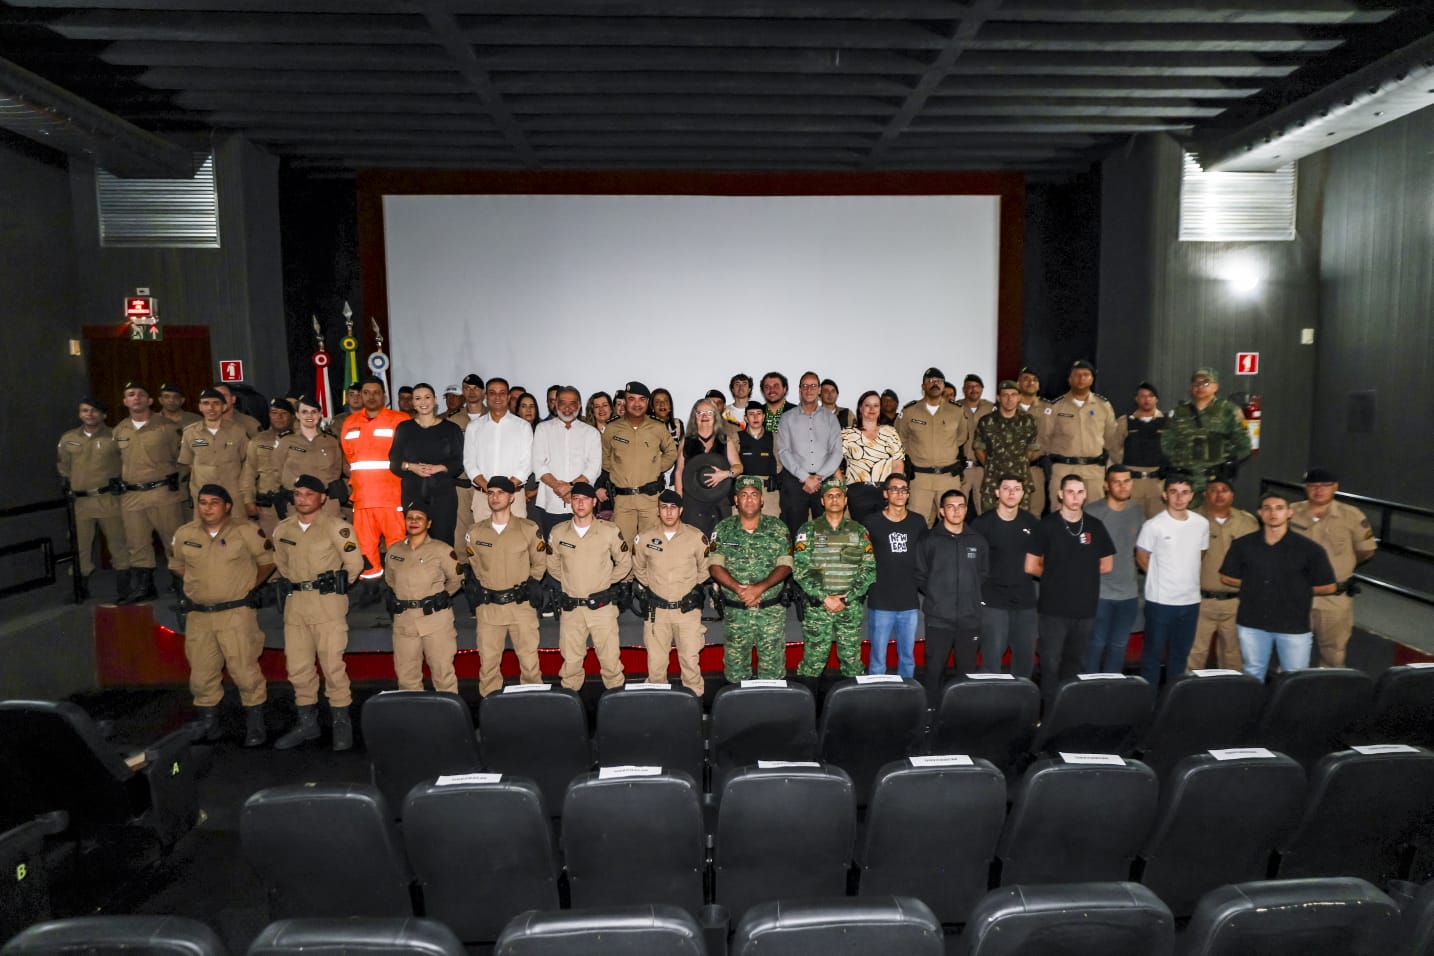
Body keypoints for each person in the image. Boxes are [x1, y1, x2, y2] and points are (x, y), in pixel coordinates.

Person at [170, 483, 275, 747]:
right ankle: (209, 723)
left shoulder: (245, 531)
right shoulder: (185, 533)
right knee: (201, 674)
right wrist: (200, 586)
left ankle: (255, 724)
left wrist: (250, 586)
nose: (207, 508)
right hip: (200, 616)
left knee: (244, 671)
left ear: (227, 506)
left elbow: (268, 560)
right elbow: (178, 565)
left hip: (235, 613)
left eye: (213, 502)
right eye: (202, 502)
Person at [269, 474, 365, 751]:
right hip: (296, 605)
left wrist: (335, 586)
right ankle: (307, 724)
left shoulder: (337, 527)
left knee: (333, 667)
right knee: (298, 669)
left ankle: (341, 723)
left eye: (309, 494)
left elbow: (354, 563)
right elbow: (281, 565)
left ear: (322, 498)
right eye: (298, 494)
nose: (302, 499)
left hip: (327, 606)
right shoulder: (283, 530)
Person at [1219, 492, 1337, 680]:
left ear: (1289, 513)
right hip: (1252, 622)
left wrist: (1293, 589)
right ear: (1260, 513)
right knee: (1252, 673)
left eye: (1279, 508)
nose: (1273, 513)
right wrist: (1255, 584)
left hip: (1293, 624)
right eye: (1267, 508)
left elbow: (1328, 586)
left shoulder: (1310, 549)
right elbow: (1227, 576)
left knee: (1294, 678)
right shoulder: (1243, 545)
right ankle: (1253, 709)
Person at [1025, 474, 1116, 704]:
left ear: (1085, 495)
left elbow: (1106, 565)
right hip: (1052, 610)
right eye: (1070, 492)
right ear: (1060, 494)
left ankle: (1069, 713)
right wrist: (1057, 577)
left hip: (1084, 609)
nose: (1075, 497)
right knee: (1050, 664)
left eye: (1079, 492)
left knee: (1077, 664)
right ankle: (1047, 716)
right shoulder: (1046, 525)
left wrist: (1078, 575)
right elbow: (1030, 565)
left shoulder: (1095, 525)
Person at [547, 481, 632, 691]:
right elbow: (552, 566)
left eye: (585, 499)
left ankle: (616, 705)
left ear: (594, 502)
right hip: (572, 609)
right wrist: (570, 582)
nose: (580, 503)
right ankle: (569, 708)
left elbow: (625, 562)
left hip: (601, 608)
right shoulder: (558, 533)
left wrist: (605, 582)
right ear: (571, 502)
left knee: (611, 663)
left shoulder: (609, 531)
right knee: (571, 665)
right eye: (575, 499)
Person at [465, 476, 546, 696]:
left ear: (512, 497)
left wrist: (528, 586)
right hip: (490, 608)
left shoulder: (528, 529)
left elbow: (539, 564)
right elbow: (476, 566)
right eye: (490, 492)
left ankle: (534, 708)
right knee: (489, 667)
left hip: (521, 606)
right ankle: (491, 712)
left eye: (501, 493)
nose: (495, 497)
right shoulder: (475, 533)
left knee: (530, 666)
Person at [708, 475, 794, 681]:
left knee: (772, 672)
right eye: (743, 495)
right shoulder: (723, 529)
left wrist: (759, 588)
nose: (749, 499)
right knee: (736, 672)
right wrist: (739, 589)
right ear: (736, 500)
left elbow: (786, 564)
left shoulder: (778, 528)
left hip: (770, 612)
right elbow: (714, 565)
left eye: (754, 494)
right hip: (736, 613)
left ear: (762, 499)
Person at [1290, 467, 1378, 667]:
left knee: (1333, 653)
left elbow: (1366, 551)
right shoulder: (1290, 512)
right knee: (1290, 651)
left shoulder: (1352, 515)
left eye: (1325, 486)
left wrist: (1341, 567)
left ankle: (1327, 693)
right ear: (1305, 488)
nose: (1319, 490)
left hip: (1334, 598)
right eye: (1313, 485)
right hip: (1296, 595)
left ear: (1335, 487)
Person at [792, 478, 876, 682]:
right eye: (829, 496)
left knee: (851, 660)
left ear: (846, 500)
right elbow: (800, 569)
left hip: (849, 606)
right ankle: (807, 709)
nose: (834, 499)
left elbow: (869, 568)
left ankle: (853, 710)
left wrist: (847, 597)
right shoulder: (807, 530)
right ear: (822, 501)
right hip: (817, 607)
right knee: (813, 661)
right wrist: (824, 598)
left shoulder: (858, 531)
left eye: (838, 495)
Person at [113, 381, 186, 603]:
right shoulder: (119, 430)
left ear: (150, 400)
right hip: (132, 496)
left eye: (141, 394)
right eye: (131, 394)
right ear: (125, 401)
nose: (136, 398)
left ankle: (182, 583)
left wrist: (179, 485)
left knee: (173, 541)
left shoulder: (166, 427)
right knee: (137, 543)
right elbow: (116, 461)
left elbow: (182, 459)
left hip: (162, 492)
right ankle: (145, 586)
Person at [914, 489, 989, 703]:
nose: (956, 511)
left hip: (969, 619)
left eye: (960, 506)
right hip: (938, 620)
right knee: (934, 672)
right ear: (941, 511)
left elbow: (982, 574)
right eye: (950, 506)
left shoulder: (978, 541)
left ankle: (964, 715)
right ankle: (930, 715)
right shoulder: (928, 541)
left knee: (966, 673)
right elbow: (919, 576)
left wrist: (968, 595)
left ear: (966, 509)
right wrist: (938, 595)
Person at [633, 489, 710, 695]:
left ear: (681, 510)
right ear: (658, 511)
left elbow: (705, 569)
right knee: (656, 667)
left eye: (673, 508)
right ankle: (658, 710)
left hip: (687, 611)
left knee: (690, 665)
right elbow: (639, 568)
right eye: (664, 507)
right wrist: (653, 587)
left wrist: (692, 588)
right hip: (657, 611)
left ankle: (694, 706)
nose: (668, 512)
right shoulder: (645, 538)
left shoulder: (695, 537)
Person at [1135, 474, 1209, 688]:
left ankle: (1173, 704)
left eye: (1184, 492)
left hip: (1190, 602)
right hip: (1160, 602)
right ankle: (1147, 705)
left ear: (1191, 496)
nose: (1179, 497)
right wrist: (1163, 576)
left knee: (1180, 658)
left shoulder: (1201, 524)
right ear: (1164, 494)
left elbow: (1200, 554)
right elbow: (1141, 557)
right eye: (1174, 492)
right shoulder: (1153, 525)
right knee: (1152, 657)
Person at [383, 500, 463, 693]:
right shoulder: (394, 551)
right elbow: (390, 580)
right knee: (406, 678)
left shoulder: (442, 550)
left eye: (420, 518)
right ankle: (413, 720)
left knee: (443, 676)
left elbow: (457, 579)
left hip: (435, 620)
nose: (414, 521)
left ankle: (449, 720)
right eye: (410, 517)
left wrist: (440, 597)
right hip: (405, 621)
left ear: (428, 523)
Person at [339, 375, 409, 586]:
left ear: (384, 396)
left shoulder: (400, 419)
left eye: (376, 392)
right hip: (362, 499)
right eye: (366, 392)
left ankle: (400, 587)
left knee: (397, 545)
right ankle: (370, 588)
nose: (371, 397)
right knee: (366, 547)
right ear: (360, 395)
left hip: (392, 498)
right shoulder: (350, 423)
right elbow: (350, 457)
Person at [58, 397, 130, 601]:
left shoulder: (115, 436)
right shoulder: (68, 438)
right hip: (80, 502)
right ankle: (80, 588)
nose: (89, 414)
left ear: (104, 415)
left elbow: (128, 462)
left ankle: (124, 589)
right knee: (79, 546)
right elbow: (63, 465)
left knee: (118, 544)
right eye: (84, 410)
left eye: (94, 411)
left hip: (107, 498)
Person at [1185, 477, 1258, 672]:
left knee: (1233, 655)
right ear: (1205, 494)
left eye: (1224, 489)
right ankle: (1186, 697)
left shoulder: (1248, 522)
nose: (1219, 494)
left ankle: (1232, 697)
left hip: (1236, 602)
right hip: (1200, 600)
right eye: (1213, 490)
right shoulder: (1191, 519)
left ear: (1232, 494)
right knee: (1193, 654)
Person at [971, 475, 1040, 676]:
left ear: (1023, 493)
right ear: (997, 492)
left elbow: (1042, 559)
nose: (1011, 493)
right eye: (1006, 488)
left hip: (1025, 601)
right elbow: (973, 564)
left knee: (1025, 659)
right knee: (992, 659)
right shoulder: (982, 524)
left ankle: (1023, 705)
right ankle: (991, 704)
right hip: (993, 602)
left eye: (1016, 488)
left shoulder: (1031, 523)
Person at [862, 475, 926, 678]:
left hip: (909, 601)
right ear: (885, 493)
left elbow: (926, 557)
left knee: (907, 657)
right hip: (881, 601)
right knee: (878, 659)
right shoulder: (871, 522)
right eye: (894, 489)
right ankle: (876, 698)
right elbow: (863, 559)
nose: (900, 493)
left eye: (904, 489)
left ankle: (907, 698)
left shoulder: (918, 521)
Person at [1085, 465, 1144, 673]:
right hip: (1100, 593)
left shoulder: (1137, 512)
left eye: (1126, 481)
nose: (1122, 486)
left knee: (1119, 647)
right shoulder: (1091, 513)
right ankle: (1088, 691)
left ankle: (1113, 693)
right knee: (1096, 644)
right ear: (1106, 485)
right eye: (1116, 481)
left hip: (1128, 594)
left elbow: (1141, 552)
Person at [1162, 367, 1250, 505]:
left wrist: (1226, 464)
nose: (1200, 387)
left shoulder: (1229, 411)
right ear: (1191, 388)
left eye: (1206, 383)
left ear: (1216, 386)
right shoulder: (1179, 412)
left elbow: (1244, 446)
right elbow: (1166, 443)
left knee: (1214, 522)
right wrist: (1179, 460)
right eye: (1196, 383)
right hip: (1185, 481)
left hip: (1214, 481)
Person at [602, 381, 677, 543]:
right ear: (625, 401)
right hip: (623, 500)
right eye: (632, 399)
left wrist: (655, 468)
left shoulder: (657, 427)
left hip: (650, 500)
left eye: (642, 399)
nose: (637, 404)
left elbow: (671, 453)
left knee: (651, 547)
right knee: (622, 548)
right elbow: (604, 458)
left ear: (647, 402)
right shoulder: (612, 429)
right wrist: (619, 471)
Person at [391, 383, 465, 545]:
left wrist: (441, 468)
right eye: (418, 398)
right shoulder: (404, 428)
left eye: (427, 397)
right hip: (413, 493)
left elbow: (459, 462)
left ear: (435, 400)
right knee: (416, 541)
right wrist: (411, 467)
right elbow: (394, 462)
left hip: (442, 495)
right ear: (413, 402)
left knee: (443, 540)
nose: (423, 402)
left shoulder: (451, 429)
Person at [1037, 359, 1117, 506]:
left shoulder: (1103, 406)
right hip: (1063, 470)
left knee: (1094, 517)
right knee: (1061, 517)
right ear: (1069, 379)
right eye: (1076, 375)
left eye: (1086, 375)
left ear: (1092, 379)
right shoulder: (1056, 406)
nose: (1081, 379)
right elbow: (1043, 438)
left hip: (1093, 472)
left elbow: (1111, 439)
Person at [897, 367, 971, 526]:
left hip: (948, 478)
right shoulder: (910, 411)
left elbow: (961, 437)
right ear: (923, 386)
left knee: (953, 523)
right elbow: (901, 439)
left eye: (939, 381)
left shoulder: (956, 411)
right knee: (917, 524)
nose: (934, 384)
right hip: (920, 479)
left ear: (944, 386)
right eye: (930, 381)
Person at [777, 371, 844, 538]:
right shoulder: (786, 418)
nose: (809, 389)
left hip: (824, 482)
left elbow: (836, 452)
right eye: (805, 386)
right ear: (799, 390)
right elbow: (784, 452)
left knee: (825, 533)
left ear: (819, 390)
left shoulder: (831, 419)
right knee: (794, 532)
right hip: (795, 482)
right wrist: (806, 477)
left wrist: (819, 477)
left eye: (813, 385)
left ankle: (822, 564)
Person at [533, 386, 603, 542]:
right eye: (562, 403)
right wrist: (559, 487)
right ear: (555, 404)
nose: (567, 408)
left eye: (572, 403)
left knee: (581, 549)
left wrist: (571, 487)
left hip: (581, 503)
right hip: (551, 501)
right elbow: (538, 463)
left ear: (579, 406)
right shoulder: (543, 429)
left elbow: (594, 468)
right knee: (553, 550)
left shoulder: (591, 433)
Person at [464, 377, 533, 526]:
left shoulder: (522, 426)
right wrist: (489, 489)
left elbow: (527, 462)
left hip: (514, 496)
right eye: (492, 393)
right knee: (483, 544)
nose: (497, 397)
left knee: (516, 544)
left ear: (508, 397)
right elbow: (469, 462)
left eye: (502, 393)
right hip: (483, 498)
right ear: (486, 396)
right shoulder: (474, 427)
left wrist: (506, 489)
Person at [675, 397, 740, 537]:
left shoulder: (724, 439)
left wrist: (725, 474)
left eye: (709, 413)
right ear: (694, 417)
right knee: (693, 542)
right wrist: (680, 498)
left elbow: (739, 467)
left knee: (719, 544)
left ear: (715, 416)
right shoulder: (686, 441)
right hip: (692, 503)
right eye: (700, 413)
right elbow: (679, 470)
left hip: (720, 501)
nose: (704, 416)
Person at [973, 379, 1040, 514]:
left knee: (1020, 521)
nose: (1009, 399)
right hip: (993, 482)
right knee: (990, 521)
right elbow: (979, 449)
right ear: (998, 398)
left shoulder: (1028, 421)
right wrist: (991, 465)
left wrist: (1018, 464)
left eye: (1013, 394)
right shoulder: (986, 421)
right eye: (1005, 395)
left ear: (1019, 397)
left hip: (1019, 481)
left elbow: (1032, 449)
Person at [841, 389, 905, 523]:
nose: (872, 409)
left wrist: (893, 490)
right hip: (858, 493)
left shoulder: (890, 432)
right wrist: (842, 487)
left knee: (884, 532)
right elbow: (833, 463)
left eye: (876, 405)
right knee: (863, 535)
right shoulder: (847, 434)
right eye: (867, 405)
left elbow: (898, 463)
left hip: (885, 492)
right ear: (860, 408)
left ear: (880, 408)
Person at [179, 387, 248, 509]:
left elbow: (247, 461)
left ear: (224, 407)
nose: (211, 408)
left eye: (216, 403)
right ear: (200, 407)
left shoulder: (238, 431)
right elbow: (188, 464)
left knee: (237, 527)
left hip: (233, 495)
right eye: (206, 403)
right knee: (204, 528)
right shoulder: (190, 433)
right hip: (204, 497)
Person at [279, 396, 344, 518]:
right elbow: (277, 470)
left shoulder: (331, 441)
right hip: (298, 504)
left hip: (327, 504)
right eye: (304, 412)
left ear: (320, 414)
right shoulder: (286, 442)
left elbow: (337, 470)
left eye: (313, 412)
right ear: (297, 415)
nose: (309, 416)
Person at [1112, 382, 1169, 518]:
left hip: (1157, 483)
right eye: (1142, 396)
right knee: (1131, 525)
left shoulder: (1167, 422)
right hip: (1133, 482)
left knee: (1158, 526)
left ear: (1157, 399)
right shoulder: (1125, 421)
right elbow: (1114, 448)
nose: (1146, 399)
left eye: (1150, 396)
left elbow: (1174, 450)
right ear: (1136, 399)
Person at [241, 398, 294, 538]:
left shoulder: (300, 440)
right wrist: (248, 501)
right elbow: (248, 473)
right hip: (267, 507)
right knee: (270, 547)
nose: (279, 417)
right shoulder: (258, 441)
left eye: (284, 413)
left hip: (294, 505)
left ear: (292, 416)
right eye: (274, 413)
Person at [956, 374, 995, 512]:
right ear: (963, 389)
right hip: (961, 469)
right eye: (969, 387)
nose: (973, 389)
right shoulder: (955, 408)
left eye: (976, 386)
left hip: (983, 469)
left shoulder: (992, 408)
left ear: (982, 389)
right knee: (957, 509)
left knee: (985, 510)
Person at [1015, 366, 1050, 516]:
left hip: (1036, 468)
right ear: (1018, 383)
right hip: (1012, 468)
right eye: (1026, 379)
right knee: (1013, 511)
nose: (1031, 382)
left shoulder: (1048, 408)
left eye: (1035, 380)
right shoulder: (1007, 406)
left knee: (1036, 510)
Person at [736, 402, 781, 517]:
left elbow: (780, 464)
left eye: (759, 414)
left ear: (764, 417)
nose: (755, 417)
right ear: (745, 418)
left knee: (771, 526)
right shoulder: (736, 437)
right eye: (751, 414)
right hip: (744, 489)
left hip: (768, 491)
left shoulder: (774, 437)